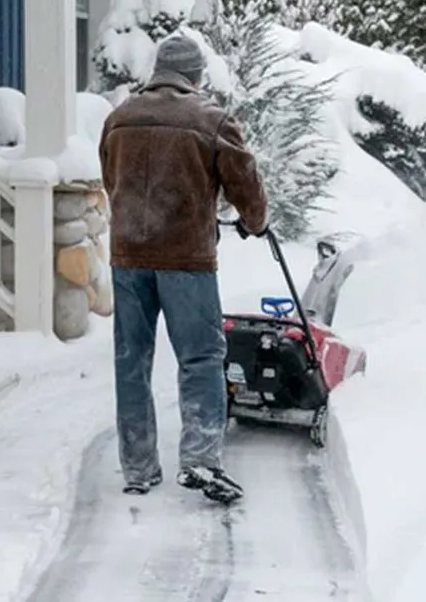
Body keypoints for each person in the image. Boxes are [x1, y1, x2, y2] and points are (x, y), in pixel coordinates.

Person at [98, 34, 268, 504]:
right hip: (186, 261)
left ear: (157, 72)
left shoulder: (119, 119)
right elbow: (245, 183)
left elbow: (110, 178)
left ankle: (137, 467)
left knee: (131, 361)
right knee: (200, 358)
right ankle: (200, 459)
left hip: (128, 257)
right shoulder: (211, 120)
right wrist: (256, 221)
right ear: (196, 76)